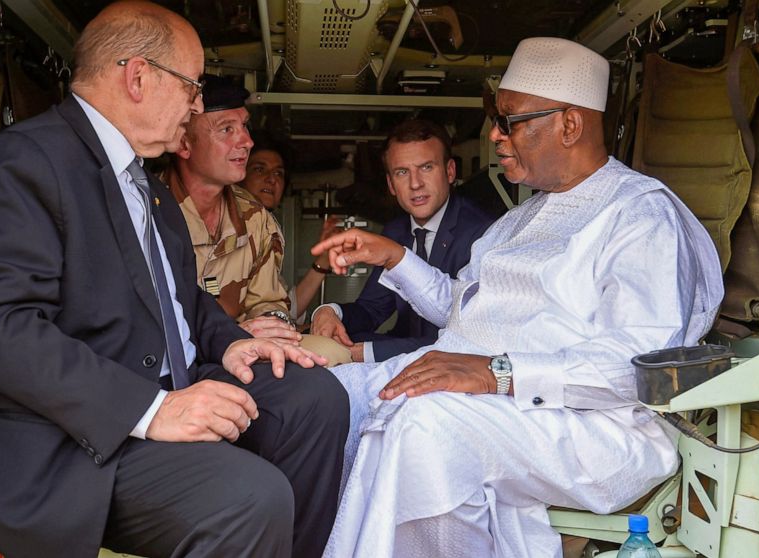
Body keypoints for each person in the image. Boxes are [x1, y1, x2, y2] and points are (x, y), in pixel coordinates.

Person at [0, 3, 348, 558]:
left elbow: (183, 300)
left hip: (168, 381)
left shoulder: (145, 187)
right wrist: (152, 411)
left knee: (315, 399)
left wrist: (235, 345)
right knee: (250, 497)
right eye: (191, 87)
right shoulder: (22, 165)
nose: (197, 104)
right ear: (137, 77)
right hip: (71, 442)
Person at [313, 37, 723, 557]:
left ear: (569, 125)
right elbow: (465, 309)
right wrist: (394, 256)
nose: (495, 136)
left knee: (426, 424)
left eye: (510, 121)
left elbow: (639, 366)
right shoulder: (522, 217)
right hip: (508, 404)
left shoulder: (639, 217)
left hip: (595, 426)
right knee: (335, 393)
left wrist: (496, 372)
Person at [310, 119, 495, 363]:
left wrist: (366, 353)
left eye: (426, 167)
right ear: (391, 184)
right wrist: (329, 311)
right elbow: (372, 309)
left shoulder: (482, 232)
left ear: (450, 172)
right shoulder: (396, 231)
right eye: (402, 172)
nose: (415, 183)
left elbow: (471, 339)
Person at [161, 74, 302, 344]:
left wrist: (274, 325)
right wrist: (228, 337)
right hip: (169, 365)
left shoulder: (256, 218)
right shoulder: (146, 210)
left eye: (245, 126)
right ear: (183, 143)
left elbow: (267, 303)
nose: (247, 141)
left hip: (242, 356)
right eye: (227, 129)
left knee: (329, 357)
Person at [239, 136, 342, 325]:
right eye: (259, 169)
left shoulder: (267, 230)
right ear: (239, 174)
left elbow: (288, 310)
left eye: (278, 173)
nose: (271, 179)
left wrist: (325, 258)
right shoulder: (229, 226)